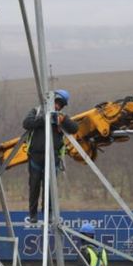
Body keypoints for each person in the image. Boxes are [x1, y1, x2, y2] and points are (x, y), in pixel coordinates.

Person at [21, 89, 78, 224]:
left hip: (53, 157)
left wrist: (63, 121)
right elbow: (26, 123)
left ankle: (48, 214)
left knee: (50, 187)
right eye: (57, 103)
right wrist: (44, 119)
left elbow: (75, 128)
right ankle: (33, 215)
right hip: (36, 156)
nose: (58, 106)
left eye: (61, 105)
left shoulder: (62, 116)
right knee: (34, 186)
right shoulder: (37, 111)